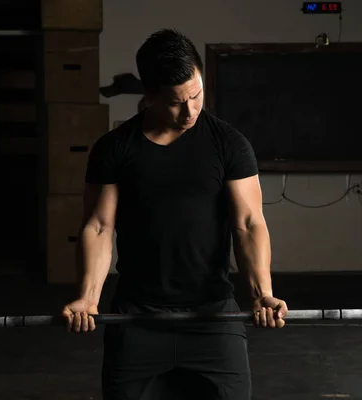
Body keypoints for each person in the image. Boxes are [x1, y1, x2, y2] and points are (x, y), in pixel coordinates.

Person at [61, 28, 288, 400]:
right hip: (137, 318)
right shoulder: (114, 149)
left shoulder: (228, 143)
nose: (189, 111)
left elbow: (248, 224)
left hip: (212, 316)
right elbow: (100, 227)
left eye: (195, 96)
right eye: (175, 102)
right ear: (149, 96)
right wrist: (88, 298)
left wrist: (262, 294)